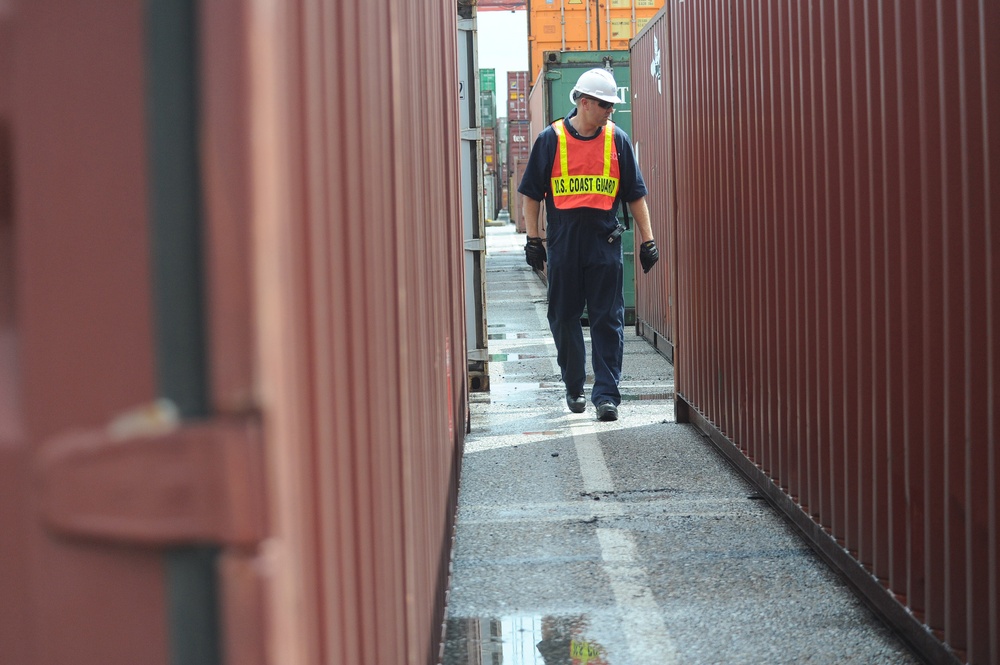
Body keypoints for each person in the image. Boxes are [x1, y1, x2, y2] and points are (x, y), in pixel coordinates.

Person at [518, 68, 659, 422]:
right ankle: (574, 384)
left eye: (612, 105)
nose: (611, 111)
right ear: (584, 102)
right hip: (565, 245)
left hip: (604, 243)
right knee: (563, 317)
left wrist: (648, 240)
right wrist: (533, 239)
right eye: (606, 104)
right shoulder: (549, 140)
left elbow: (635, 195)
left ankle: (607, 396)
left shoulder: (617, 140)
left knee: (607, 321)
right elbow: (532, 196)